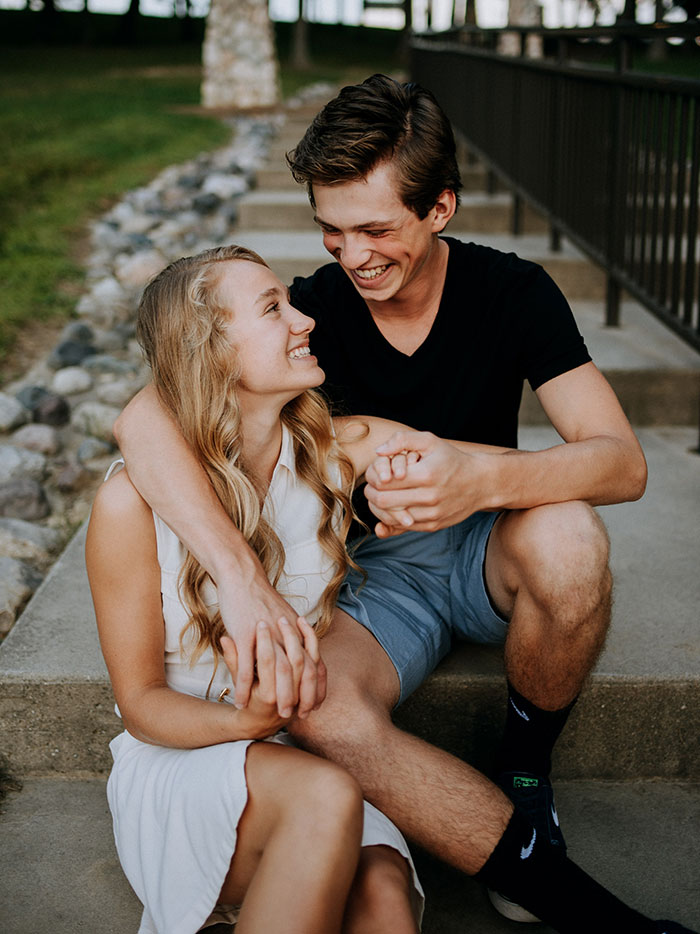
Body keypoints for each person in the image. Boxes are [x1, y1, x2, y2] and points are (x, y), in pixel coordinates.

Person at [114, 78, 696, 933]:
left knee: (571, 539)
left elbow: (621, 463)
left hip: (490, 543)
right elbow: (144, 416)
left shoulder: (512, 291)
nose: (353, 256)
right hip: (369, 577)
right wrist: (240, 577)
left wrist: (480, 480)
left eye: (377, 229)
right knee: (322, 709)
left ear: (440, 208)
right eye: (333, 229)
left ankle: (525, 779)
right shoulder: (312, 312)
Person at [86, 244, 425, 934]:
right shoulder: (128, 505)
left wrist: (433, 484)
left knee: (387, 894)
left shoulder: (335, 456)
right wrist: (249, 722)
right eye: (273, 309)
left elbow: (481, 469)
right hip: (182, 763)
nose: (304, 320)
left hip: (298, 758)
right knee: (327, 794)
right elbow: (141, 704)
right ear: (210, 350)